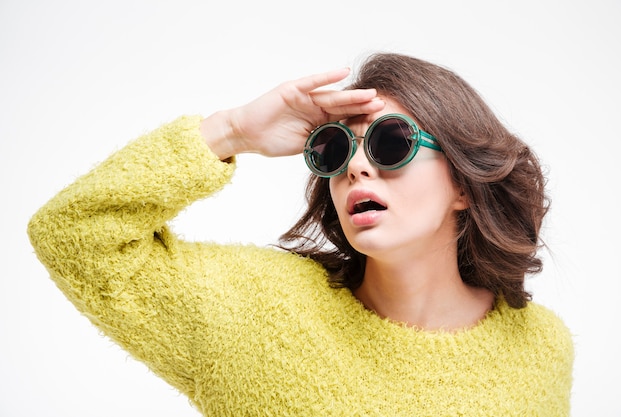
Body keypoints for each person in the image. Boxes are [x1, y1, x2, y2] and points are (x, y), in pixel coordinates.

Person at [28, 52, 574, 416]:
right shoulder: (256, 311)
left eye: (388, 142)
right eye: (335, 150)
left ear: (462, 181)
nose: (356, 168)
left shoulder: (541, 347)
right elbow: (75, 233)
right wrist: (233, 130)